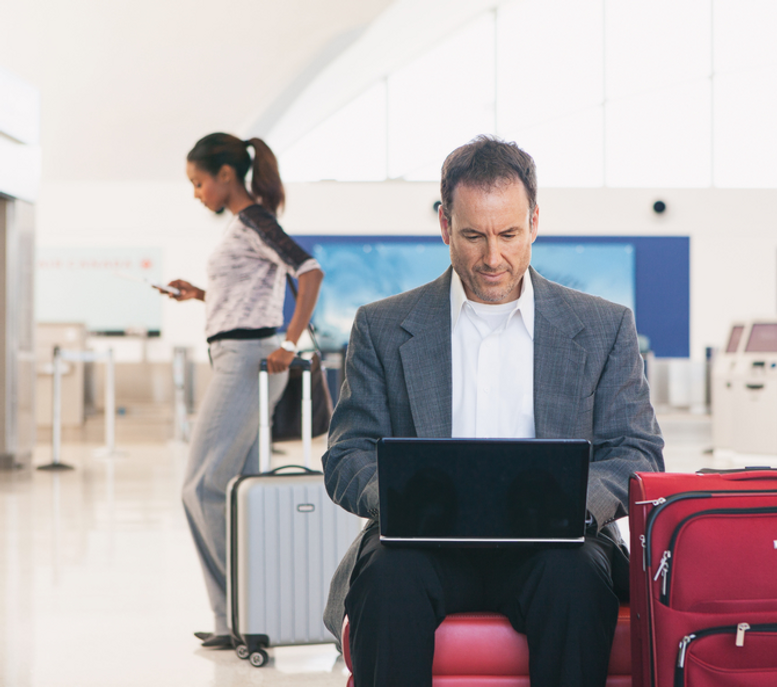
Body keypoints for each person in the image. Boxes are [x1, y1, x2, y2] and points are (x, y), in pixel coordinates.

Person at [322, 135, 664, 686]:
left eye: (508, 234)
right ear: (443, 225)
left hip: (556, 547)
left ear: (533, 221)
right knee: (388, 578)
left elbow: (637, 451)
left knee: (573, 579)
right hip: (422, 546)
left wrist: (569, 509)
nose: (492, 257)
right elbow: (347, 454)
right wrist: (402, 502)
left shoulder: (604, 326)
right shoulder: (382, 327)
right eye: (473, 235)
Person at [164, 133, 323, 648]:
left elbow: (310, 269)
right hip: (241, 354)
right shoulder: (247, 224)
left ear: (225, 175)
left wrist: (291, 343)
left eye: (198, 182)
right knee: (239, 490)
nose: (197, 193)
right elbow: (251, 295)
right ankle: (248, 613)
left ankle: (237, 612)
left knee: (202, 485)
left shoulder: (255, 218)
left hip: (247, 360)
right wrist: (201, 295)